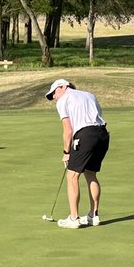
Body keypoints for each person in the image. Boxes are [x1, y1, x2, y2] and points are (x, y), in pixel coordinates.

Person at [45, 78, 110, 228]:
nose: (54, 97)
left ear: (63, 87)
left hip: (85, 135)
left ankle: (74, 218)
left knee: (72, 175)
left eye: (54, 93)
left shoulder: (63, 100)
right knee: (91, 173)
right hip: (102, 134)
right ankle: (94, 215)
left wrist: (66, 152)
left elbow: (68, 130)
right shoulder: (89, 94)